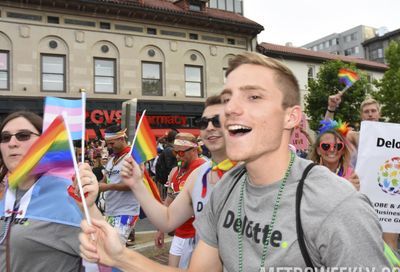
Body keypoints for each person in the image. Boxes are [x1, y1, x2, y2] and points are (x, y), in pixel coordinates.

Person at [79, 52, 390, 270]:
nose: (231, 110)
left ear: (291, 117)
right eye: (228, 100)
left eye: (253, 97)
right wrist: (119, 256)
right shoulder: (225, 189)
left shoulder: (338, 206)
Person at [0, 111, 83, 271]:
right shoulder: (6, 193)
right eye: (5, 137)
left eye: (23, 135)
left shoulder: (69, 195)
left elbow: (108, 259)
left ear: (44, 142)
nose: (12, 143)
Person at [325, 95, 398, 250]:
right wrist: (331, 108)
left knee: (389, 244)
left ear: (379, 114)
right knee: (362, 244)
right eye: (366, 111)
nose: (370, 114)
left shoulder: (394, 134)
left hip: (388, 196)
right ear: (361, 115)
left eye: (373, 111)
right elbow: (327, 131)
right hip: (361, 194)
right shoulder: (354, 136)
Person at [155, 132, 206, 268]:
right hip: (180, 233)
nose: (178, 156)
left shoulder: (204, 169)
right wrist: (161, 229)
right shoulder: (176, 171)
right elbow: (169, 199)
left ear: (194, 150)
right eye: (175, 153)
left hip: (197, 235)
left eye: (181, 153)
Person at [100, 124, 140, 244]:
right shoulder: (112, 159)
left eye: (112, 143)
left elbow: (134, 184)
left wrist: (107, 186)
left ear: (121, 139)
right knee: (109, 248)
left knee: (115, 248)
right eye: (108, 144)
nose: (110, 147)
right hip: (111, 210)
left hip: (126, 211)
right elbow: (105, 180)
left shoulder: (132, 157)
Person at [308, 119, 360, 190]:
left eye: (337, 146)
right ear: (318, 150)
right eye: (326, 146)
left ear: (343, 150)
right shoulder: (310, 173)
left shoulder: (352, 174)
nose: (332, 150)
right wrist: (345, 187)